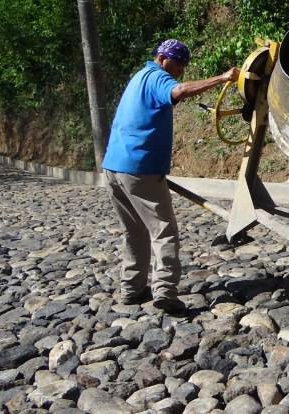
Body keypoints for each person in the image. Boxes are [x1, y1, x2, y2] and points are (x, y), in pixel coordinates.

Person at [102, 38, 239, 314]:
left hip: (113, 168)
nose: (180, 71)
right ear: (164, 58)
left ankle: (132, 289)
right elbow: (178, 91)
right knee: (164, 231)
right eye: (178, 65)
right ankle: (164, 291)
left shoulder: (139, 77)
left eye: (183, 67)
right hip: (139, 169)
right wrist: (223, 77)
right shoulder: (157, 77)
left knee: (135, 231)